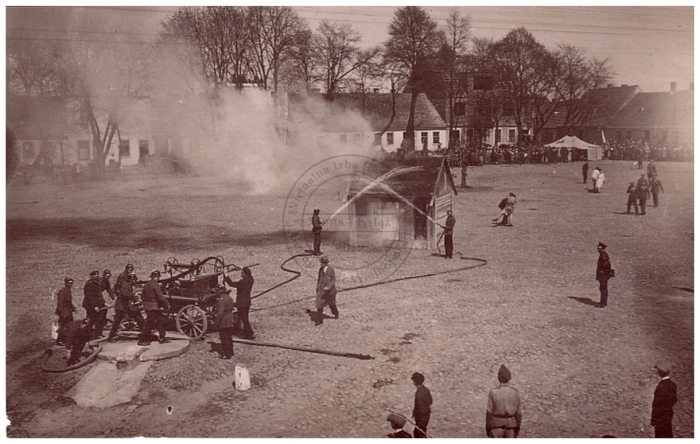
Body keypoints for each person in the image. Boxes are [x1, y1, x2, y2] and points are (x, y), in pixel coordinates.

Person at [485, 365, 522, 438]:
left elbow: (489, 412)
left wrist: (488, 427)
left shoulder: (493, 392)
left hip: (496, 425)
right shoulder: (515, 393)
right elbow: (518, 414)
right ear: (509, 378)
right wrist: (517, 428)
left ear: (499, 378)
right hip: (511, 426)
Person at [106, 273, 145, 342]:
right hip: (121, 307)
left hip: (125, 306)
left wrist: (136, 299)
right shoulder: (126, 286)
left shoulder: (129, 286)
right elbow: (125, 295)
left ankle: (145, 334)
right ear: (131, 280)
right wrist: (135, 296)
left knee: (138, 318)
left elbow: (129, 296)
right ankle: (110, 337)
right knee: (117, 322)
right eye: (134, 280)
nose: (135, 281)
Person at [138, 270, 171, 346]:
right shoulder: (155, 285)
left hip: (148, 306)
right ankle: (142, 340)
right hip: (153, 306)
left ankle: (162, 337)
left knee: (160, 320)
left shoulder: (146, 285)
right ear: (157, 277)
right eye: (158, 277)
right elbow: (160, 296)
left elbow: (142, 296)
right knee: (150, 323)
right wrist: (166, 303)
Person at [224, 267, 255, 340]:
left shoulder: (242, 282)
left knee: (244, 319)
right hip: (247, 302)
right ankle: (247, 333)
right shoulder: (250, 280)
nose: (241, 273)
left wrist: (225, 274)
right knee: (245, 318)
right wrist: (242, 268)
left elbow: (231, 284)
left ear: (245, 274)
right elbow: (249, 276)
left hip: (241, 303)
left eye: (242, 272)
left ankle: (250, 334)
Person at [650, 359, 677, 438]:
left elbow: (656, 405)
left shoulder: (660, 387)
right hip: (668, 416)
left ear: (660, 372)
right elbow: (674, 400)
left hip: (660, 418)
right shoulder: (672, 385)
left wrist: (653, 420)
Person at [212, 284, 236, 359]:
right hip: (230, 319)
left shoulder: (221, 300)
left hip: (224, 321)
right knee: (229, 337)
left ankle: (226, 354)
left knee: (224, 338)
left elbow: (220, 313)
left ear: (219, 291)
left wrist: (215, 324)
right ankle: (231, 352)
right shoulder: (229, 298)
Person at [82, 270, 107, 340]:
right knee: (91, 320)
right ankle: (87, 335)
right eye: (95, 276)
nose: (97, 277)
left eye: (97, 276)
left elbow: (99, 294)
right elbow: (90, 297)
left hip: (97, 304)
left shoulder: (97, 283)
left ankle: (98, 334)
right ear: (91, 277)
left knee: (100, 320)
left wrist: (104, 302)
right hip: (90, 306)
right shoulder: (89, 284)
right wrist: (94, 306)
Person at [314, 255, 338, 326]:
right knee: (319, 304)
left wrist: (328, 287)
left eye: (323, 263)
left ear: (326, 263)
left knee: (332, 303)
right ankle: (319, 320)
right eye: (321, 262)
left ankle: (336, 313)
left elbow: (333, 280)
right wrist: (318, 288)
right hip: (322, 290)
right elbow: (319, 279)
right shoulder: (320, 270)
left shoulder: (331, 270)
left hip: (331, 291)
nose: (322, 264)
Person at [55, 277, 76, 346]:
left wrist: (73, 308)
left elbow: (69, 302)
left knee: (69, 325)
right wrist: (62, 313)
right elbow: (60, 304)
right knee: (64, 326)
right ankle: (60, 340)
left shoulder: (68, 290)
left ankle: (67, 339)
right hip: (64, 312)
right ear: (66, 283)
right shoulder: (62, 291)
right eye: (69, 283)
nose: (71, 285)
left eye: (71, 283)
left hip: (68, 311)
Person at [411, 372, 432, 438]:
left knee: (418, 434)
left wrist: (418, 417)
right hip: (426, 415)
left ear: (415, 382)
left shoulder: (418, 393)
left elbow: (420, 408)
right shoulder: (425, 390)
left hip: (421, 417)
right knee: (422, 432)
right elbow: (430, 401)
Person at [595, 242, 614, 308]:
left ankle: (603, 303)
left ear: (602, 248)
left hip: (603, 274)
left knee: (603, 288)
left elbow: (607, 265)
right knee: (602, 288)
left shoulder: (603, 255)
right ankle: (603, 302)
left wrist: (603, 271)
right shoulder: (603, 254)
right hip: (603, 274)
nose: (598, 249)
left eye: (599, 248)